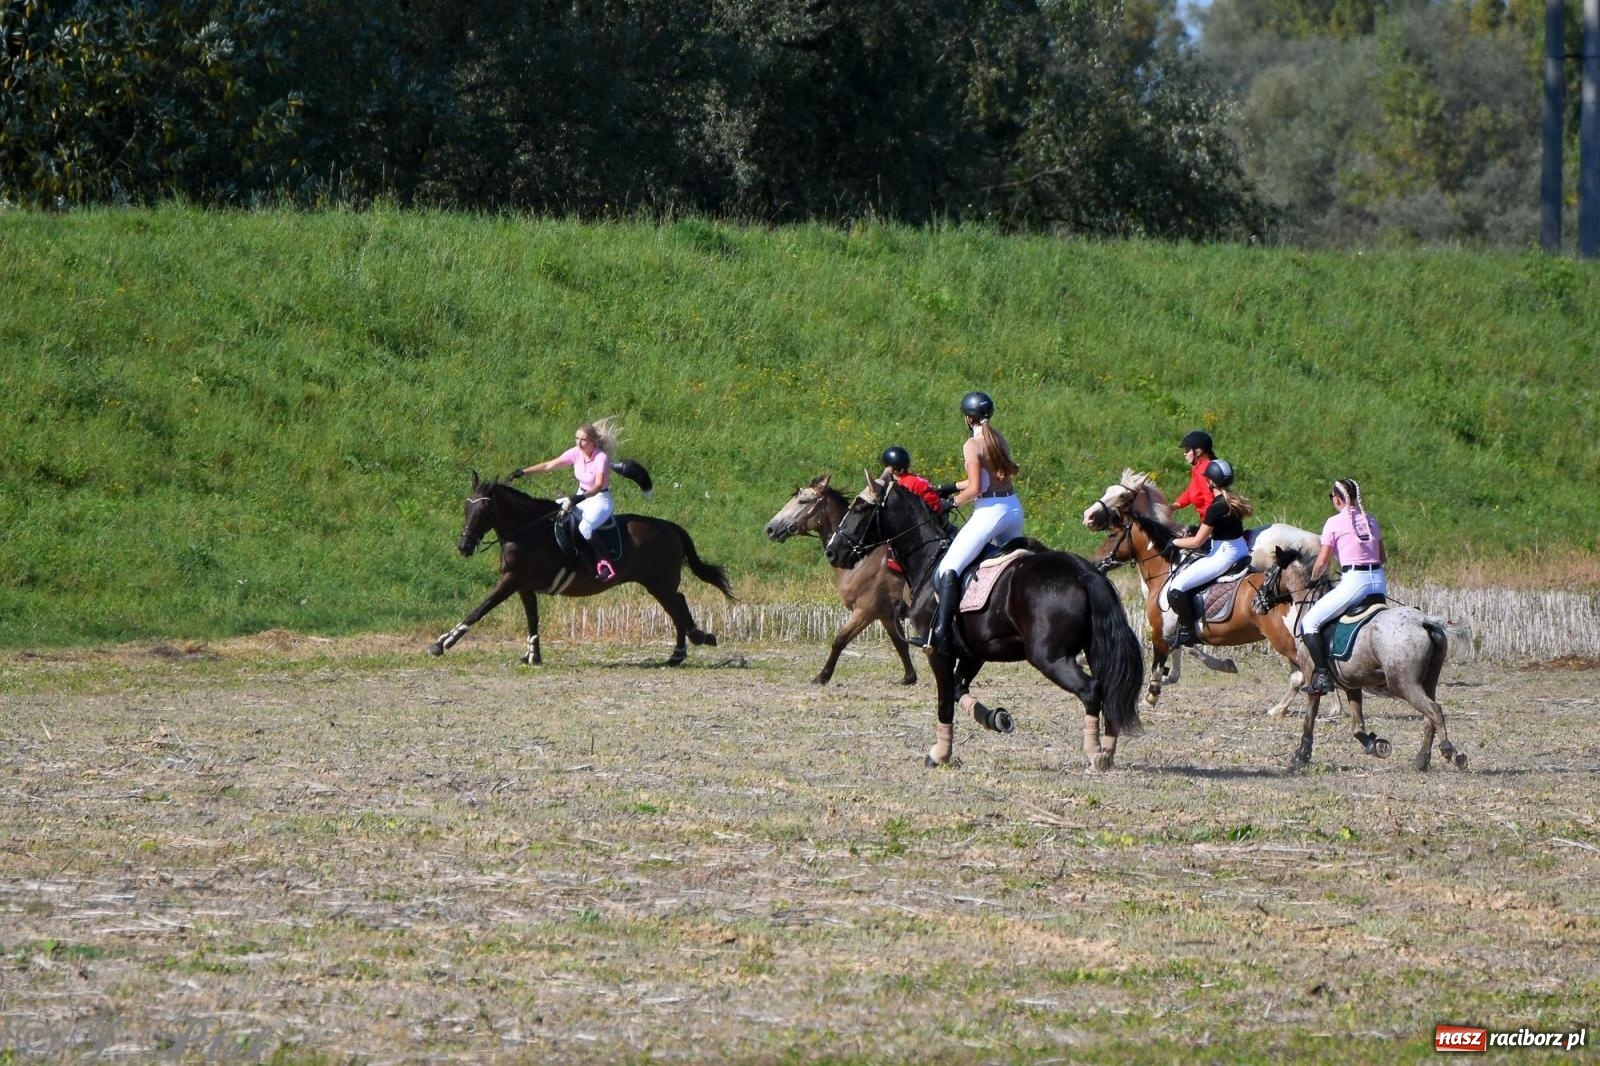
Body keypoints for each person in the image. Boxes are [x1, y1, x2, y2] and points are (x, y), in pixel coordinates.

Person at [928, 391, 1022, 652]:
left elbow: (976, 489)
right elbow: (985, 479)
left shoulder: (972, 445)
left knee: (948, 569)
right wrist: (948, 487)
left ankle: (940, 634)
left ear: (969, 419)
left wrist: (950, 503)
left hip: (990, 512)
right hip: (1012, 508)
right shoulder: (997, 437)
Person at [1299, 478, 1387, 694]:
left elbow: (1322, 562)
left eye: (1332, 497)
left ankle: (1322, 675)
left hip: (1355, 582)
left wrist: (1313, 579)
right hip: (1378, 581)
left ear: (1337, 498)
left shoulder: (1334, 522)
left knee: (1310, 622)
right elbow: (1382, 557)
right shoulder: (1371, 520)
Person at [512, 417, 623, 581]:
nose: (579, 443)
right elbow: (550, 465)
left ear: (593, 442)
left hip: (599, 499)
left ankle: (605, 564)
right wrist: (523, 472)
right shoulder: (576, 453)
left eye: (583, 440)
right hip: (580, 495)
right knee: (551, 511)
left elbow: (598, 485)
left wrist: (578, 498)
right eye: (577, 439)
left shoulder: (601, 458)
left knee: (585, 527)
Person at [1165, 459, 1253, 648]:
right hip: (1240, 549)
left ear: (1210, 481)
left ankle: (1188, 633)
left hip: (1224, 554)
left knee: (1176, 588)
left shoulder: (1216, 507)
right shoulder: (1231, 500)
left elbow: (1197, 541)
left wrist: (1173, 543)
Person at [881, 445, 952, 514]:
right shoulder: (914, 477)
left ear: (891, 468)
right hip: (939, 512)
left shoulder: (902, 485)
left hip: (930, 516)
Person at [1173, 430, 1216, 519]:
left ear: (1198, 451)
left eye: (1188, 450)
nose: (1185, 454)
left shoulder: (1204, 470)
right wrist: (1174, 506)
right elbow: (1192, 491)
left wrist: (1207, 526)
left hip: (1212, 522)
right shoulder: (1198, 467)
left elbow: (1210, 501)